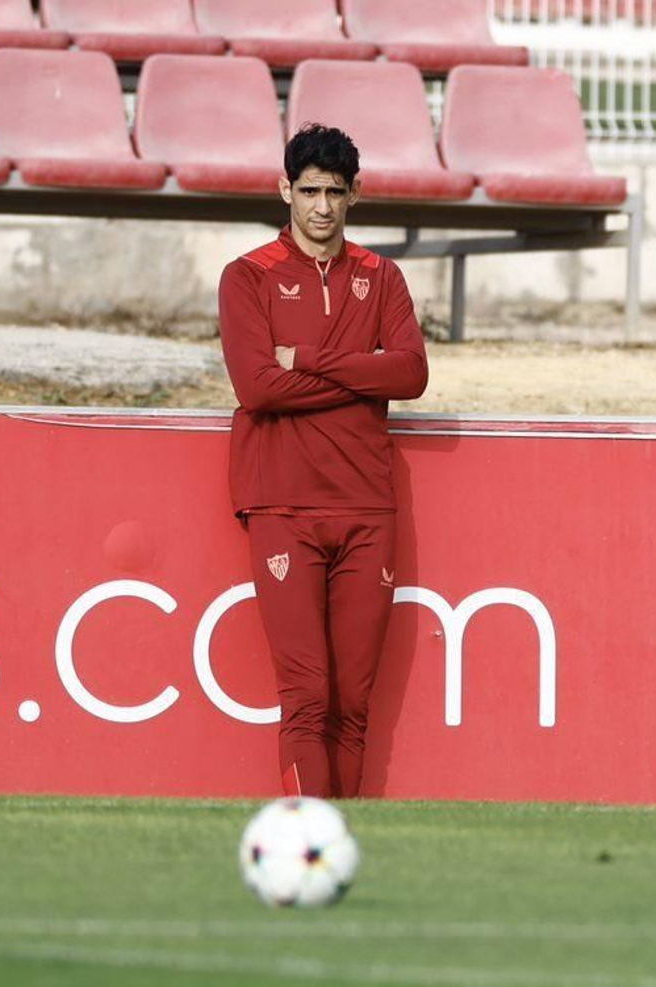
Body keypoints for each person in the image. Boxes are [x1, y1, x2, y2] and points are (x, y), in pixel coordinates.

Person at [217, 124, 429, 799]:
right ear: (285, 189)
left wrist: (306, 360)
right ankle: (308, 837)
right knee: (307, 694)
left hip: (368, 505)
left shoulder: (382, 276)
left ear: (354, 195)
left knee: (354, 702)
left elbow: (411, 373)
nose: (321, 207)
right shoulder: (247, 276)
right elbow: (257, 387)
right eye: (308, 190)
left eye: (335, 192)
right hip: (284, 504)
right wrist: (361, 375)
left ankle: (346, 846)